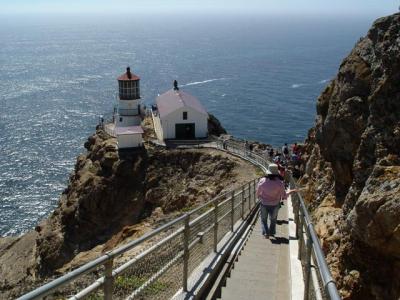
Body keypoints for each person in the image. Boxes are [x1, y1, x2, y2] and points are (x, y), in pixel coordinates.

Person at [257, 164, 296, 238]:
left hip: (264, 203)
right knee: (273, 219)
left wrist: (259, 197)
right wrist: (290, 191)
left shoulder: (262, 181)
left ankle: (266, 232)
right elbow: (284, 196)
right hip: (275, 204)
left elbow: (258, 192)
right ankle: (271, 232)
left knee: (263, 219)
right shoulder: (279, 183)